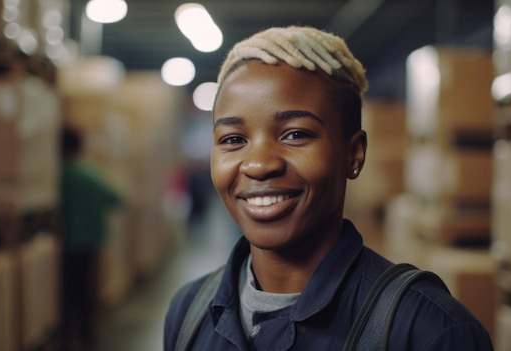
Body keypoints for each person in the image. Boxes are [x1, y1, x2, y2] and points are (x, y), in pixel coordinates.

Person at [164, 26, 493, 350]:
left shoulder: (429, 332)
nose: (259, 164)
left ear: (354, 153)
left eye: (295, 134)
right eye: (233, 139)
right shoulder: (188, 313)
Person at [58, 125, 123, 351]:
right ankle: (86, 334)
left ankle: (68, 334)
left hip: (65, 245)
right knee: (85, 288)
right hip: (90, 241)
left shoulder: (58, 177)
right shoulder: (89, 174)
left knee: (67, 290)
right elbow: (116, 199)